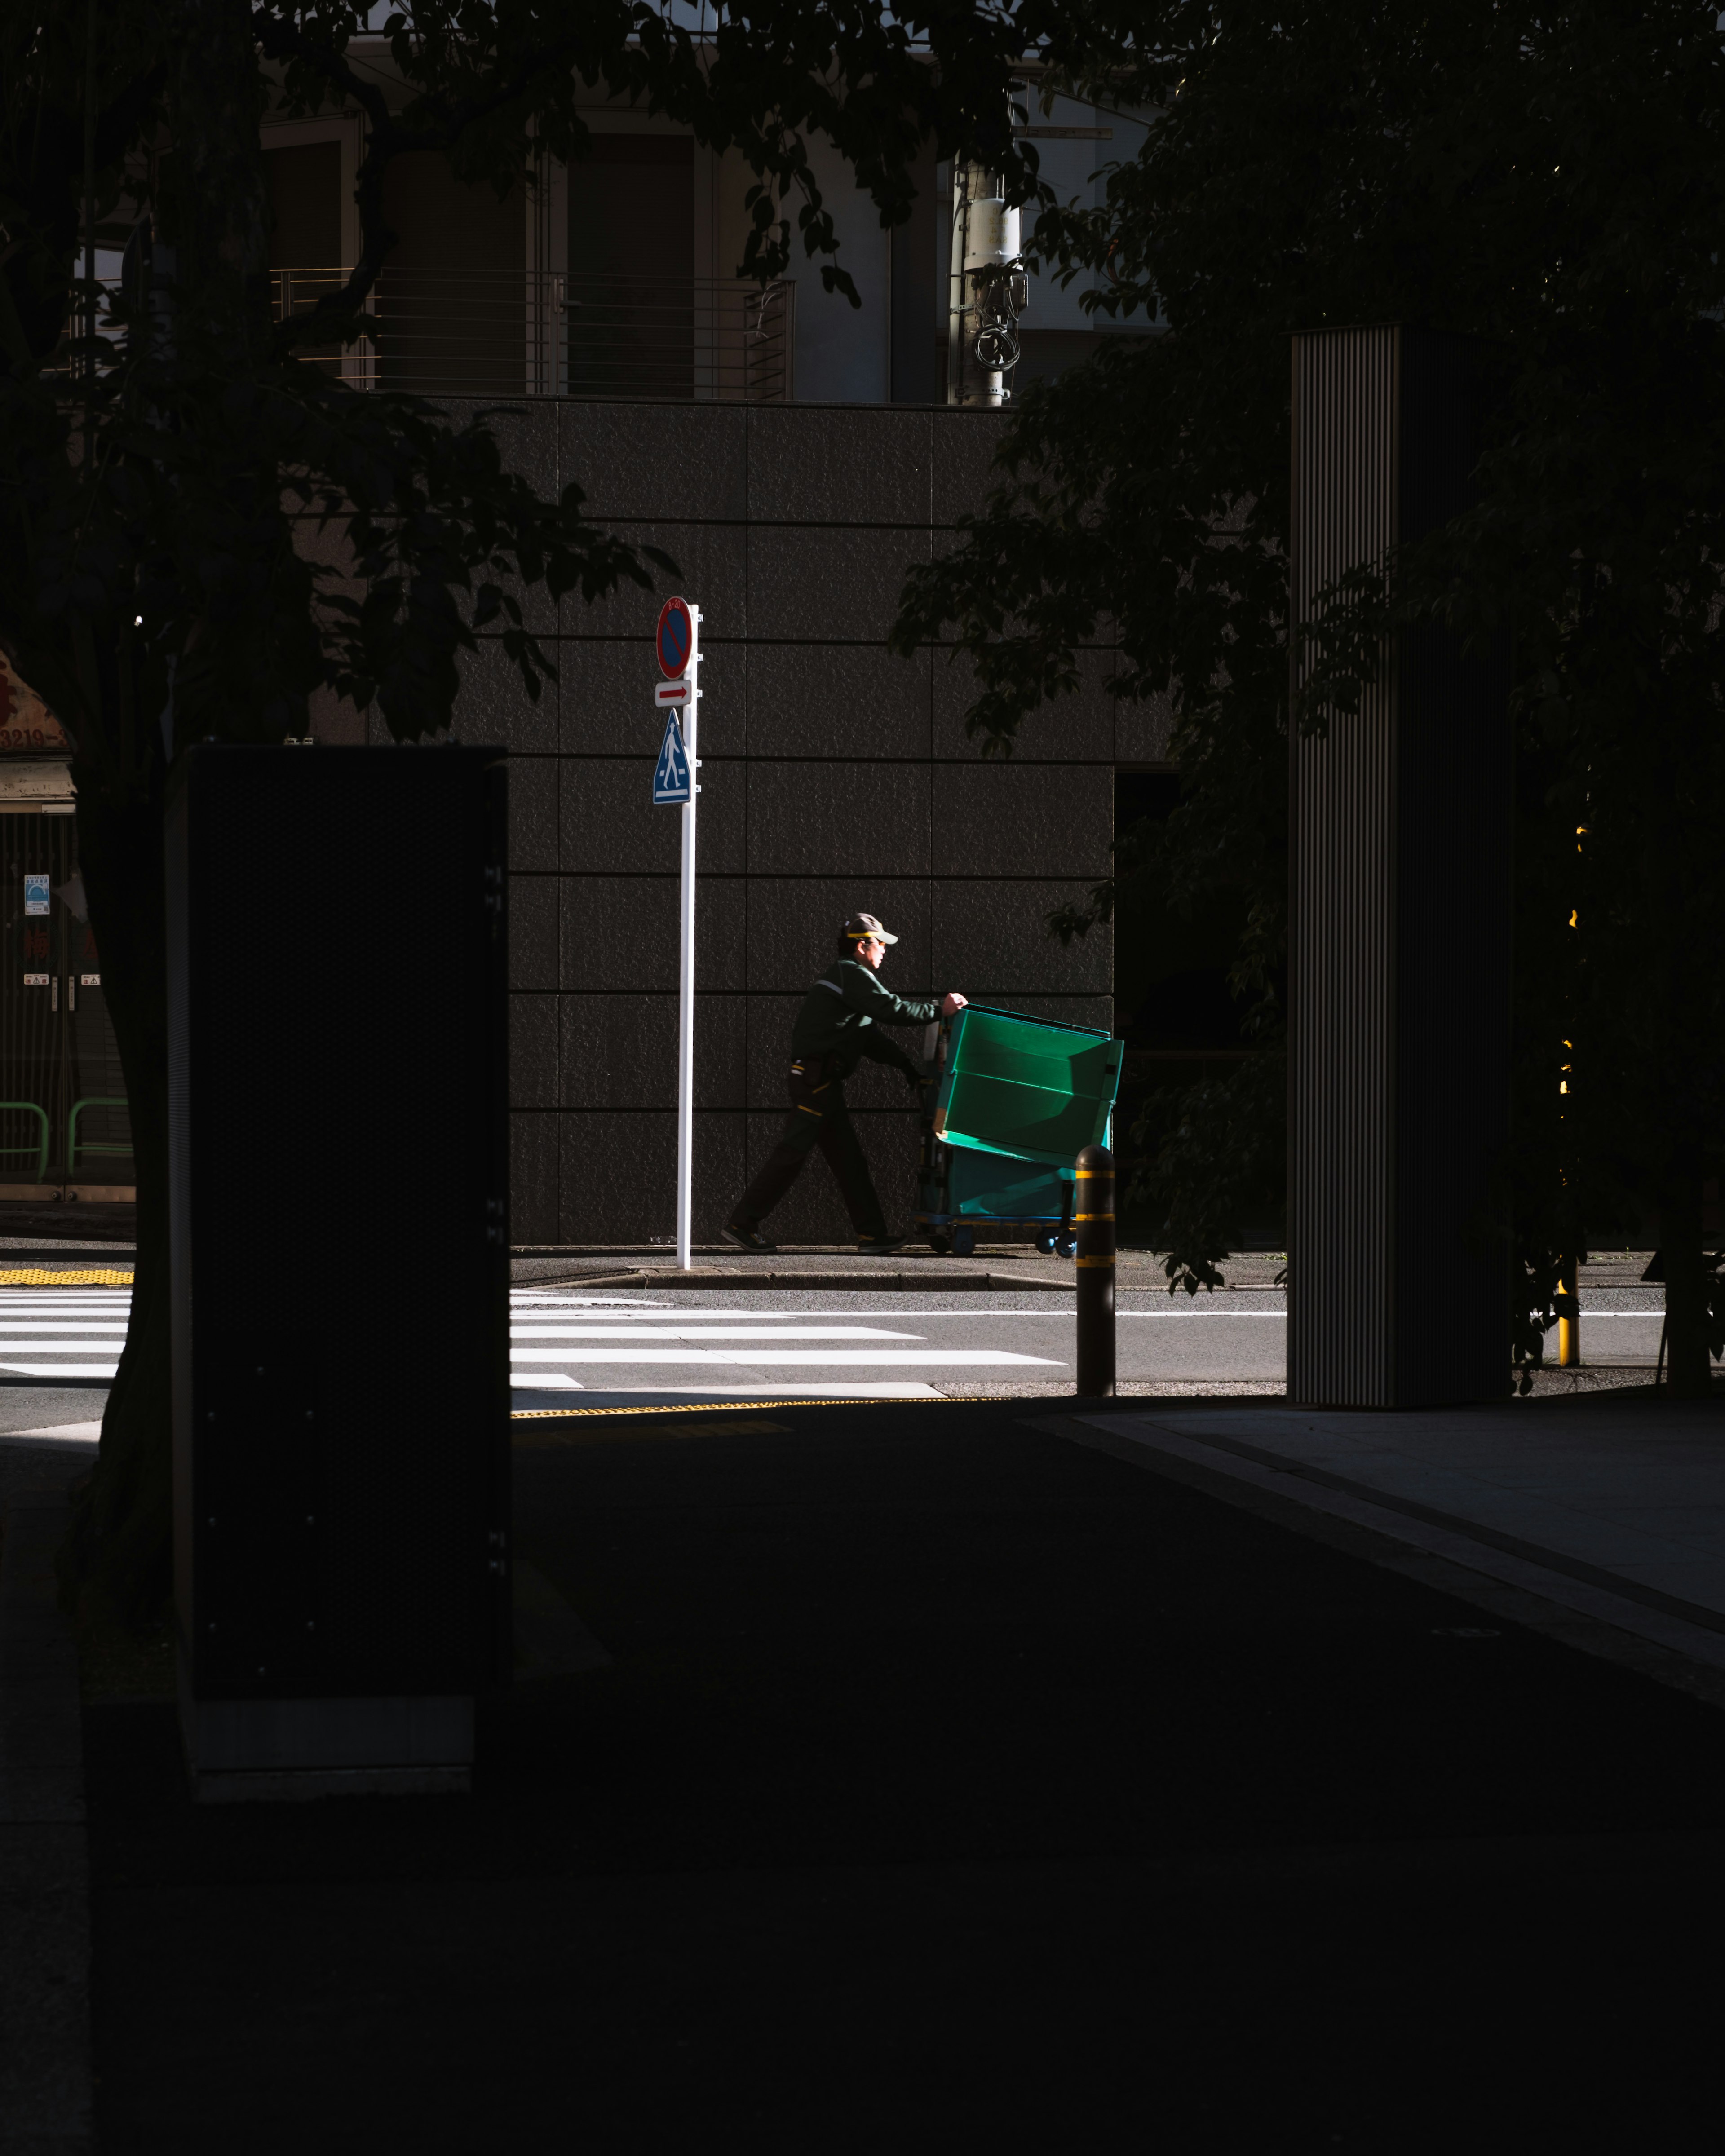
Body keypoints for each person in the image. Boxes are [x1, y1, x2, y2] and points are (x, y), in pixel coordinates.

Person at [723, 912, 967, 1255]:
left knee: (850, 1163)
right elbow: (891, 1009)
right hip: (815, 1083)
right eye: (880, 943)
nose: (884, 950)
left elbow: (869, 1037)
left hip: (823, 1085)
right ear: (862, 944)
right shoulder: (850, 974)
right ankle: (742, 1224)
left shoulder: (852, 981)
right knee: (791, 1155)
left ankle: (872, 1236)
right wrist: (939, 1010)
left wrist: (906, 1067)